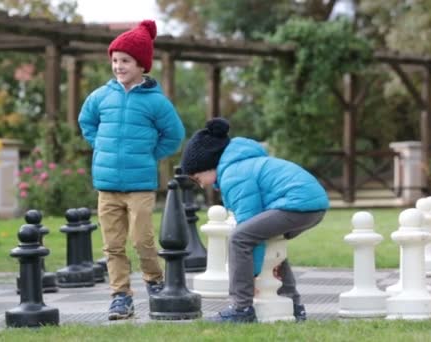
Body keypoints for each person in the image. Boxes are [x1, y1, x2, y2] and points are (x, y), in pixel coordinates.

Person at [78, 20, 185, 321]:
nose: (118, 66)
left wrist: (151, 155)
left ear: (142, 65)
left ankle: (154, 282)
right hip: (107, 185)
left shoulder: (156, 102)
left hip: (140, 185)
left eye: (125, 61)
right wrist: (99, 143)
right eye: (115, 60)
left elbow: (174, 135)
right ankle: (120, 297)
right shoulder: (100, 96)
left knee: (141, 240)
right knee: (112, 245)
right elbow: (86, 122)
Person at [180, 118, 329, 323]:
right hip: (312, 204)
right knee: (271, 241)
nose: (199, 185)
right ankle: (293, 305)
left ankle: (241, 308)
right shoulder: (241, 165)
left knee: (239, 238)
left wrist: (253, 274)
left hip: (298, 203)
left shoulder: (234, 174)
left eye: (197, 178)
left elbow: (247, 229)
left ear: (207, 164)